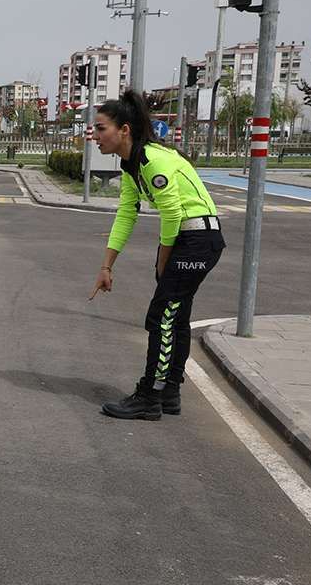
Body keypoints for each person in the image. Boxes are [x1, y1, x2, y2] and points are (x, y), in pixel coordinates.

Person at [89, 90, 225, 420]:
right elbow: (126, 214)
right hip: (191, 239)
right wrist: (107, 265)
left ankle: (149, 396)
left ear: (124, 130)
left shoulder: (153, 160)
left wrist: (163, 261)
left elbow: (173, 214)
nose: (94, 136)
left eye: (101, 128)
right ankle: (170, 393)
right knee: (175, 316)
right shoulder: (132, 165)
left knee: (161, 316)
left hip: (197, 238)